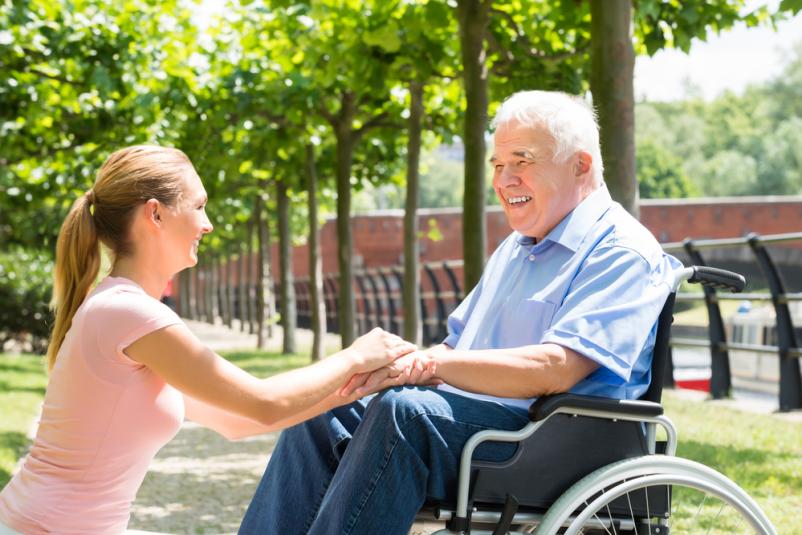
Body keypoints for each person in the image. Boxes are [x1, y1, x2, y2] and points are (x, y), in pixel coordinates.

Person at [238, 90, 682, 535]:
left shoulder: (621, 250)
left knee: (406, 413)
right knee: (326, 408)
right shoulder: (515, 249)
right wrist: (392, 368)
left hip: (555, 438)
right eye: (496, 165)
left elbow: (557, 368)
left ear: (580, 165)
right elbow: (455, 348)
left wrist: (433, 365)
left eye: (521, 161)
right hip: (484, 424)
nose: (504, 180)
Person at [0, 145, 435, 534]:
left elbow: (237, 421)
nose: (208, 224)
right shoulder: (128, 313)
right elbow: (263, 402)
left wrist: (364, 385)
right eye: (199, 206)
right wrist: (355, 356)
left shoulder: (125, 310)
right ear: (155, 214)